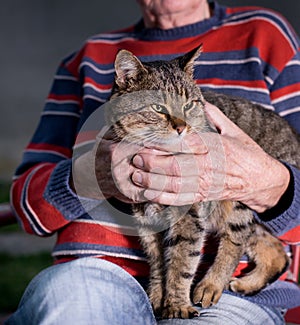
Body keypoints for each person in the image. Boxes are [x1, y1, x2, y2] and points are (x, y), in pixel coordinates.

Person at [6, 0, 300, 324]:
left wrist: (268, 182)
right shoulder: (87, 56)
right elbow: (26, 209)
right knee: (75, 304)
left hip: (227, 295)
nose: (178, 125)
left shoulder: (265, 34)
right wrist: (90, 176)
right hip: (95, 277)